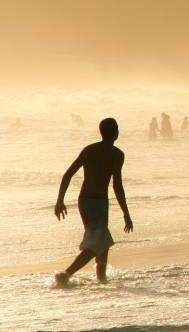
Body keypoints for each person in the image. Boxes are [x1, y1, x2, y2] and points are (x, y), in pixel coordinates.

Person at [53, 118, 133, 286]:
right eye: (117, 129)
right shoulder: (117, 155)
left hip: (84, 201)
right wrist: (126, 213)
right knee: (97, 242)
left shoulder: (89, 150)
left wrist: (60, 201)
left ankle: (101, 279)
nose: (118, 131)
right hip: (99, 203)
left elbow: (67, 175)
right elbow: (117, 186)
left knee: (102, 242)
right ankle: (66, 274)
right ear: (113, 132)